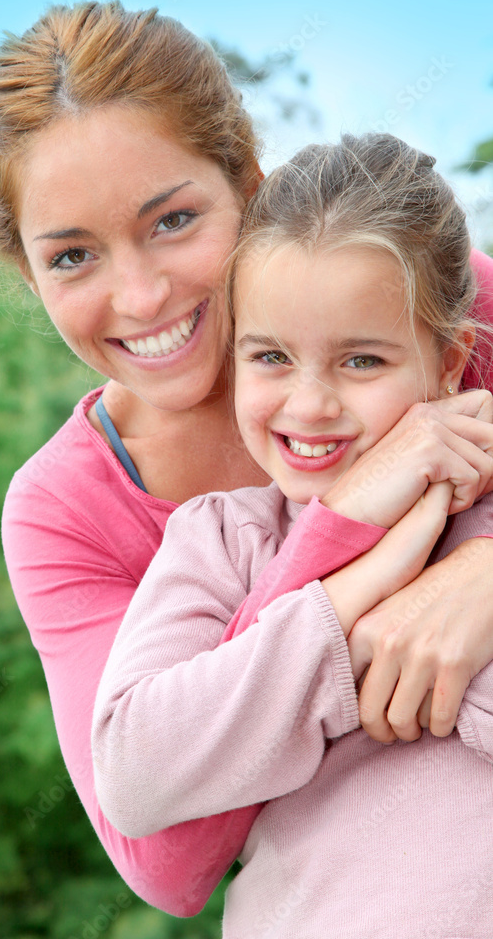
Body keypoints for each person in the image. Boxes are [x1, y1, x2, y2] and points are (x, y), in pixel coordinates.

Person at [0, 0, 493, 915]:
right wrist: (341, 542)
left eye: (173, 220)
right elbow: (165, 860)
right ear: (29, 274)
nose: (141, 295)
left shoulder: (418, 299)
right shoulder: (68, 509)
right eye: (72, 258)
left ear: (249, 188)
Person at [92, 133, 493, 937]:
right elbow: (135, 772)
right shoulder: (221, 540)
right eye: (270, 356)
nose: (307, 406)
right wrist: (347, 593)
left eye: (361, 361)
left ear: (449, 361)